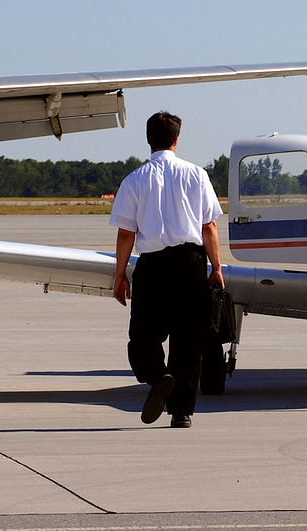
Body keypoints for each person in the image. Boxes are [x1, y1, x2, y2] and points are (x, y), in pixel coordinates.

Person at [109, 111, 225, 429]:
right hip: (190, 263)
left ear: (149, 140)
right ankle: (182, 413)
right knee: (188, 341)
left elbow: (125, 233)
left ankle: (159, 377)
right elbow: (210, 226)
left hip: (152, 265)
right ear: (176, 140)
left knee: (143, 338)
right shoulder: (197, 175)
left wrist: (120, 275)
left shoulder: (134, 180)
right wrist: (216, 267)